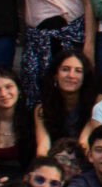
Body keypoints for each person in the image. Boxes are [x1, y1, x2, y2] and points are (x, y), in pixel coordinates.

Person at [30, 50, 92, 178]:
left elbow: (83, 144)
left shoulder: (96, 103)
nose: (71, 75)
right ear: (55, 75)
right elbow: (43, 148)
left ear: (85, 77)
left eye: (78, 71)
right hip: (55, 165)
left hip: (85, 165)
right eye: (65, 69)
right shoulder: (42, 109)